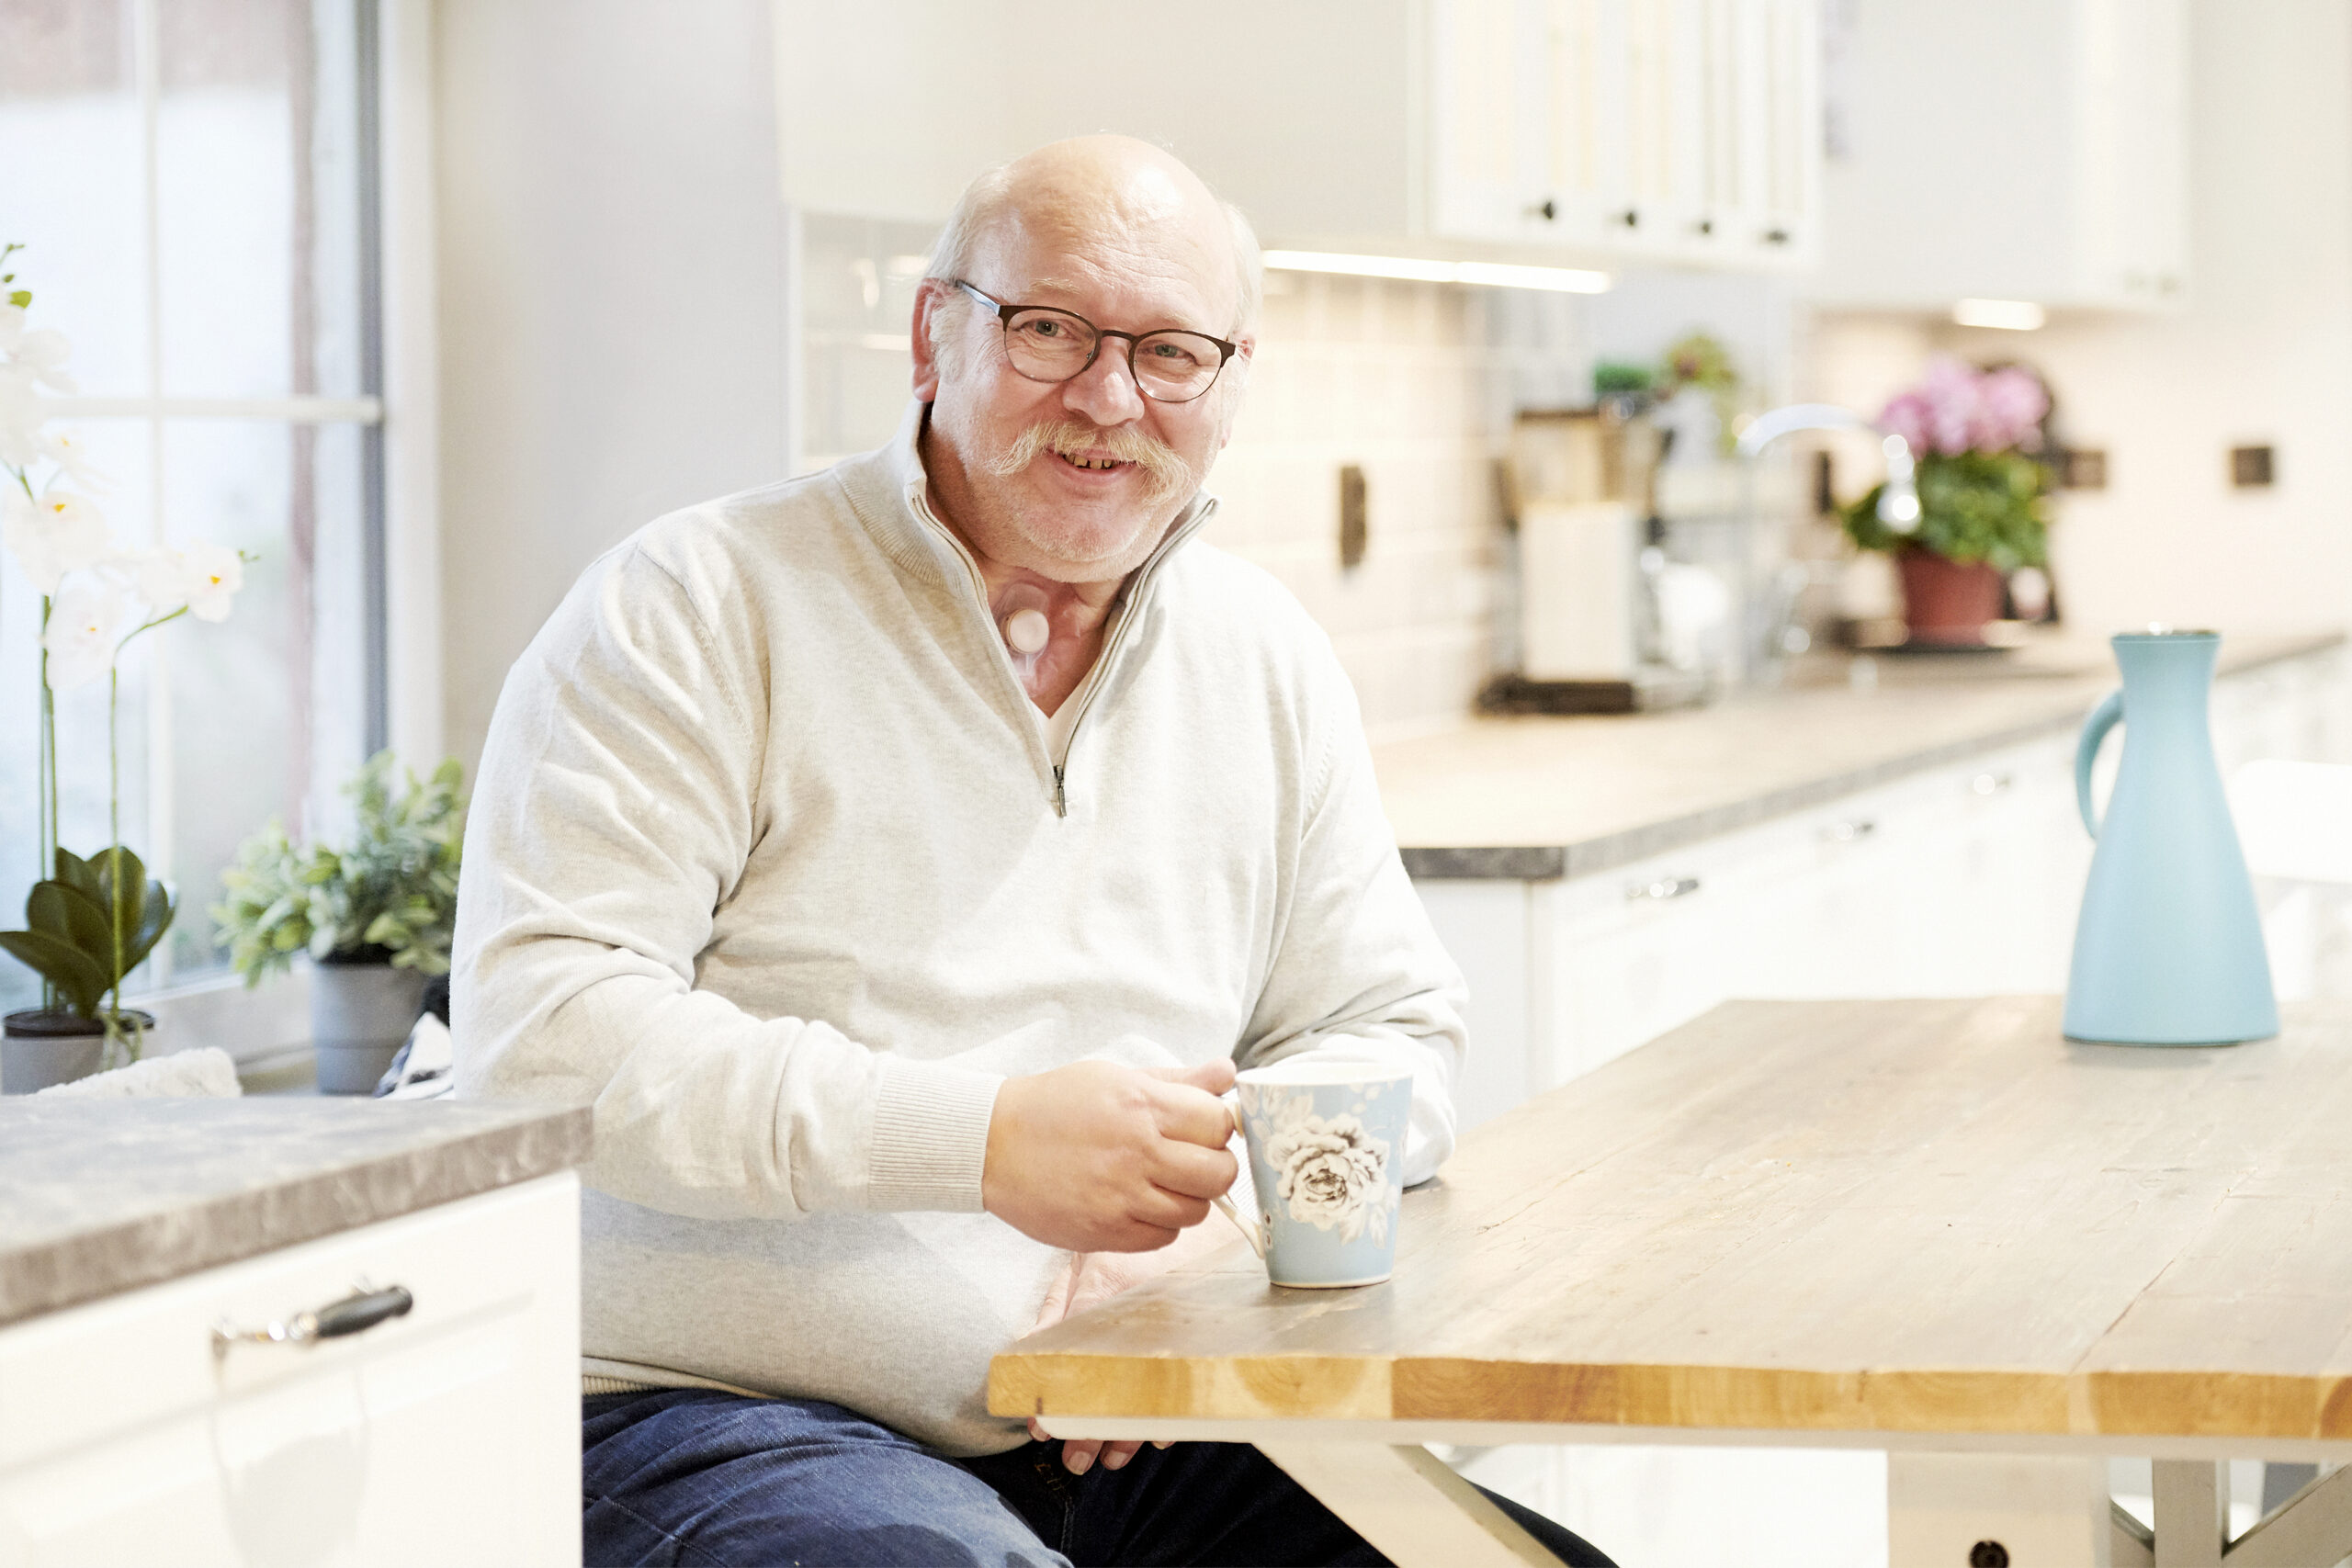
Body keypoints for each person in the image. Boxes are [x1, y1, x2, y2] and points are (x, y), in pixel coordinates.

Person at [453, 134, 1612, 1567]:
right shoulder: (693, 606)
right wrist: (985, 1143)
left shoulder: (1263, 659)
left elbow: (1391, 1033)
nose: (1110, 399)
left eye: (1171, 352)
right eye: (1051, 329)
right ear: (936, 335)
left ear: (1232, 382)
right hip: (714, 1416)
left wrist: (1221, 1223)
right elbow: (545, 1044)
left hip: (1155, 1414)